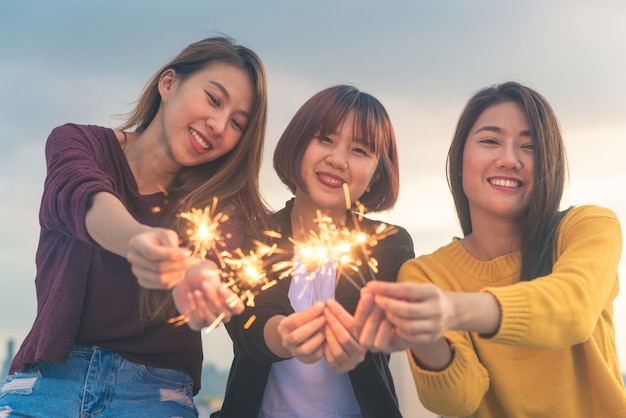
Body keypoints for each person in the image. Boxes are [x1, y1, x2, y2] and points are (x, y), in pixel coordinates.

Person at [0, 36, 268, 417]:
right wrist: (138, 240)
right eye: (213, 99)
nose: (218, 125)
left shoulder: (220, 205)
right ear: (169, 83)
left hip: (153, 395)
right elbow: (83, 197)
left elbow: (211, 264)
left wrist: (200, 278)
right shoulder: (77, 142)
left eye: (237, 122)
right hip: (47, 384)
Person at [356, 81, 626, 417]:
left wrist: (452, 310)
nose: (509, 159)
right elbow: (456, 401)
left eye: (529, 146)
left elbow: (574, 307)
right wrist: (424, 335)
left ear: (549, 164)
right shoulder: (427, 273)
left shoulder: (587, 227)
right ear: (459, 159)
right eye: (490, 141)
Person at [179, 84, 414, 417]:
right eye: (326, 140)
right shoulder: (252, 236)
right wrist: (285, 337)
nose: (337, 160)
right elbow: (253, 326)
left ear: (378, 173)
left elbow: (364, 313)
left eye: (359, 150)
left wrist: (351, 340)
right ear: (298, 144)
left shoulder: (389, 242)